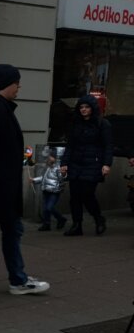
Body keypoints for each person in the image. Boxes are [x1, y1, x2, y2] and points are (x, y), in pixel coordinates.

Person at [0, 64, 50, 300]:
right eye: (16, 82)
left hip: (3, 188)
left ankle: (18, 279)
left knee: (13, 231)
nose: (19, 86)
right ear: (7, 83)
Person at [60, 95, 112, 236]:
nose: (83, 110)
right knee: (75, 196)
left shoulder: (103, 124)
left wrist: (106, 164)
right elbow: (69, 145)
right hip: (76, 163)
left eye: (87, 107)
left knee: (87, 194)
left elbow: (108, 146)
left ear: (93, 108)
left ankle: (98, 218)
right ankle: (77, 225)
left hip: (94, 163)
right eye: (81, 107)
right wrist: (64, 163)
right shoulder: (75, 124)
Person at [31, 152, 66, 232]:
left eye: (50, 158)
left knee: (49, 208)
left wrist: (63, 175)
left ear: (54, 159)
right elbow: (43, 178)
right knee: (46, 209)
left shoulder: (58, 168)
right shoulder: (47, 168)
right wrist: (34, 180)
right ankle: (47, 224)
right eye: (48, 158)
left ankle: (61, 219)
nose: (49, 159)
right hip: (46, 190)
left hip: (54, 191)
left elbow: (62, 178)